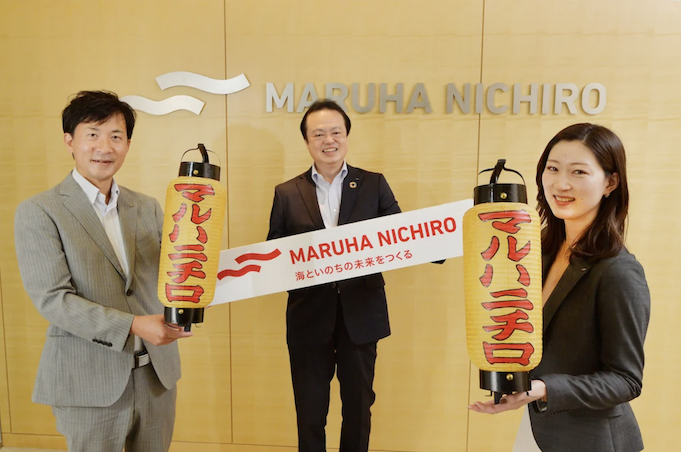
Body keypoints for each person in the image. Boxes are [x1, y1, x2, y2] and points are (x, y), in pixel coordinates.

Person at [14, 90, 192, 452]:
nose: (105, 147)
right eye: (93, 134)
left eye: (116, 136)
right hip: (88, 382)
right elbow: (54, 300)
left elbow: (175, 274)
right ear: (70, 141)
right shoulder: (40, 211)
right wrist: (134, 325)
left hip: (156, 377)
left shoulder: (148, 207)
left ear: (128, 144)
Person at [468, 123, 651, 452]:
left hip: (593, 440)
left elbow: (625, 380)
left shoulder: (619, 271)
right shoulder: (537, 251)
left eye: (579, 172)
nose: (561, 183)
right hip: (539, 428)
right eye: (552, 169)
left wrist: (543, 389)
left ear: (610, 183)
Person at [267, 99, 401, 452]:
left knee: (358, 410)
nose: (329, 140)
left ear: (347, 136)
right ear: (307, 141)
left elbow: (403, 236)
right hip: (308, 318)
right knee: (310, 413)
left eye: (336, 132)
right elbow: (275, 254)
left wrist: (438, 246)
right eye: (319, 134)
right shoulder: (287, 193)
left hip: (362, 315)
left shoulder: (373, 184)